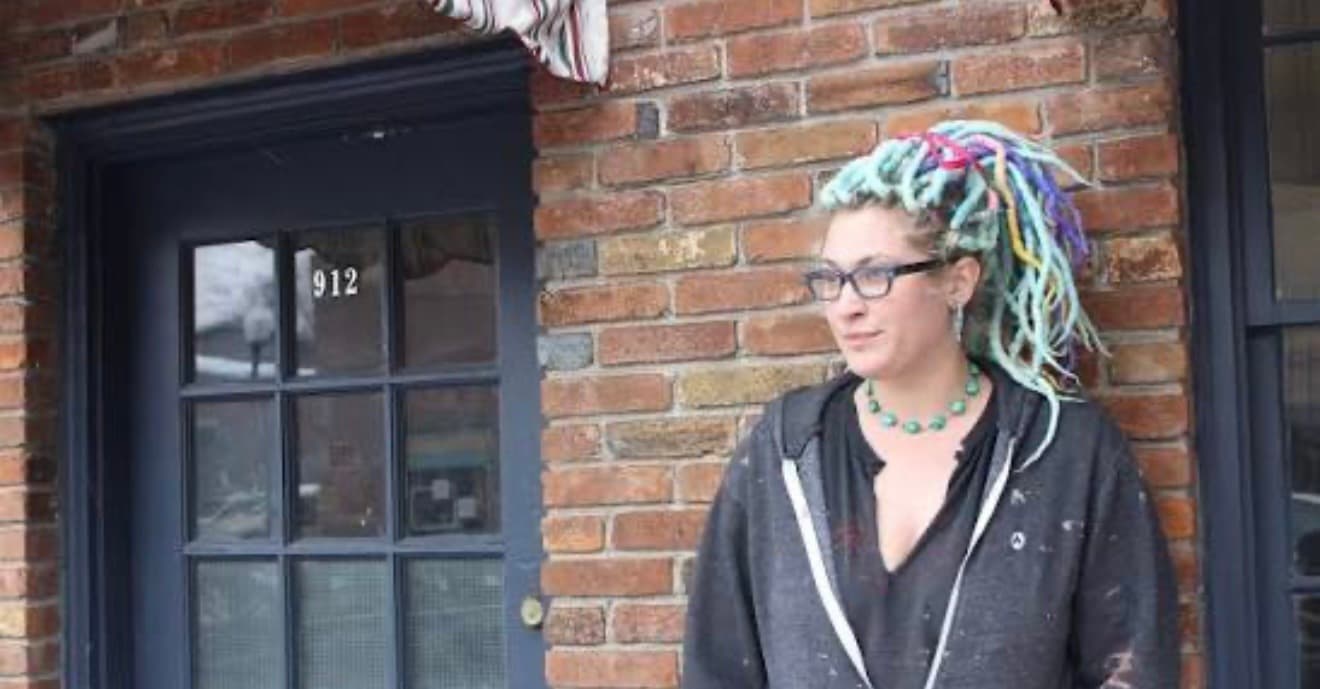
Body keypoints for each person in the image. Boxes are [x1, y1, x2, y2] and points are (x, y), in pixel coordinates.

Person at [681, 121, 1180, 689]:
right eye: (829, 279)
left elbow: (1132, 662)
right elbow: (716, 664)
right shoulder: (784, 452)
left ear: (958, 282)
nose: (846, 306)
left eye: (873, 275)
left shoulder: (1063, 450)